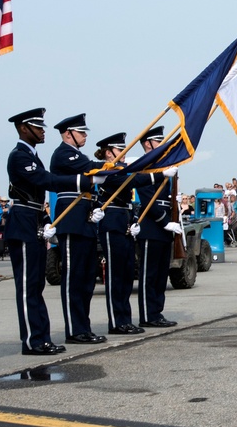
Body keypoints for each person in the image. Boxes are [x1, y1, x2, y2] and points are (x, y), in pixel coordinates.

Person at [6, 108, 95, 355]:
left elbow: (37, 192)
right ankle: (32, 341)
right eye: (37, 126)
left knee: (36, 286)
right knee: (28, 287)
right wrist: (85, 181)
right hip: (22, 222)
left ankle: (40, 338)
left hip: (33, 220)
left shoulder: (32, 155)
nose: (43, 130)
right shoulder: (19, 156)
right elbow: (46, 181)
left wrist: (45, 219)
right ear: (24, 128)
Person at [50, 113, 108, 345]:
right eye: (81, 132)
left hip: (83, 218)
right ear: (68, 134)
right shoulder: (64, 154)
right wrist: (114, 166)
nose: (85, 136)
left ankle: (83, 326)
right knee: (74, 278)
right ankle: (75, 329)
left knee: (86, 279)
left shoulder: (76, 154)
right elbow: (90, 168)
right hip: (71, 219)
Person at [93, 133, 144, 335]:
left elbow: (128, 200)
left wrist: (133, 221)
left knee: (126, 274)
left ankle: (125, 319)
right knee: (115, 275)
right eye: (120, 150)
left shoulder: (122, 169)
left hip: (124, 222)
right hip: (112, 223)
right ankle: (116, 321)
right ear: (108, 152)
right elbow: (129, 180)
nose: (123, 154)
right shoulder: (108, 170)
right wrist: (158, 174)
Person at [134, 126, 183, 327]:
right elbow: (147, 199)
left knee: (162, 273)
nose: (161, 145)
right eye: (158, 141)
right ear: (147, 143)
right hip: (151, 224)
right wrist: (164, 221)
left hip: (165, 224)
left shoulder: (163, 164)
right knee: (150, 273)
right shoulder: (145, 165)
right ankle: (147, 315)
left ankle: (156, 312)